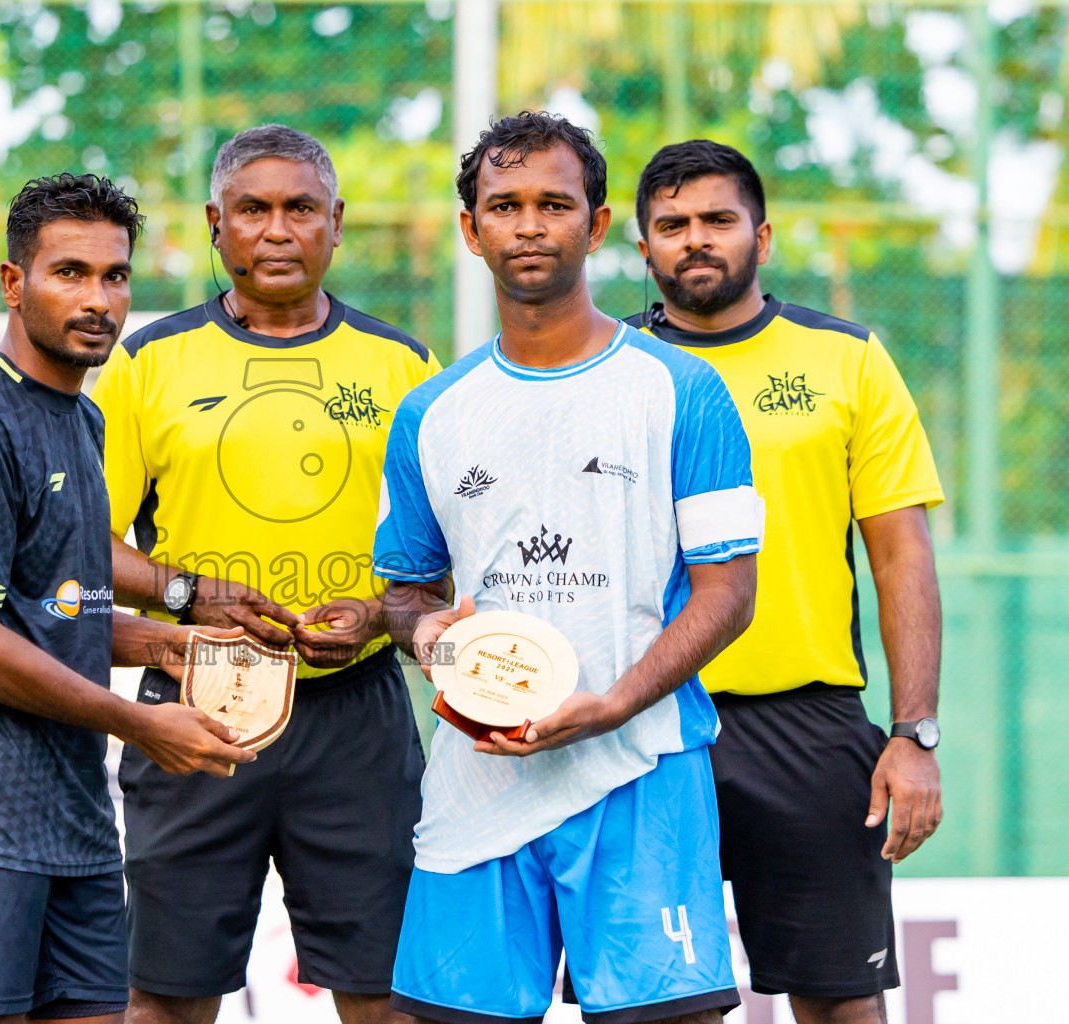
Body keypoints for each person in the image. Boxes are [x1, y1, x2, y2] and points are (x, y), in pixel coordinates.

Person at [374, 111, 762, 1024]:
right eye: (504, 205)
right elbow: (406, 593)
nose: (530, 225)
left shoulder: (684, 390)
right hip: (479, 781)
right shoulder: (430, 412)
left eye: (555, 204)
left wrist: (613, 704)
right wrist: (427, 634)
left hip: (640, 769)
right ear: (471, 229)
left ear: (596, 226)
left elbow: (730, 596)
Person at [90, 124, 440, 1024]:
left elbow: (445, 558)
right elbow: (84, 546)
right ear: (217, 224)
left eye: (301, 209)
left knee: (389, 997)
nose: (278, 230)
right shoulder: (146, 362)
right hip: (195, 707)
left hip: (357, 720)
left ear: (337, 223)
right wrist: (189, 595)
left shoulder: (405, 367)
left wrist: (376, 615)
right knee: (165, 998)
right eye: (253, 210)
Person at [0, 173, 254, 1024]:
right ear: (13, 284)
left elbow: (64, 609)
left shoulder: (85, 422)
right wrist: (140, 723)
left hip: (79, 822)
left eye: (114, 275)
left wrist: (176, 642)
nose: (98, 299)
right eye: (70, 273)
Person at [628, 139, 945, 1024]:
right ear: (643, 249)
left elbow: (901, 555)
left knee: (841, 1004)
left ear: (761, 238)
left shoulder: (846, 358)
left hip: (807, 723)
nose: (697, 239)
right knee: (659, 1009)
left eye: (718, 220)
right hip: (643, 724)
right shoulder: (609, 369)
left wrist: (914, 733)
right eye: (673, 225)